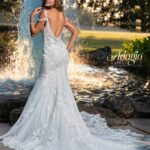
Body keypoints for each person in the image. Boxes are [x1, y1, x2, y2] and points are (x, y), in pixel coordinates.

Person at [0, 0, 149, 149]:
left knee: (44, 85)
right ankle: (56, 121)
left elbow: (33, 33)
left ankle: (44, 125)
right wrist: (66, 49)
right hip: (61, 53)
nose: (48, 0)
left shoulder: (44, 13)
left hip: (51, 54)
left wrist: (32, 16)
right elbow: (75, 32)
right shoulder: (61, 15)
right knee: (60, 87)